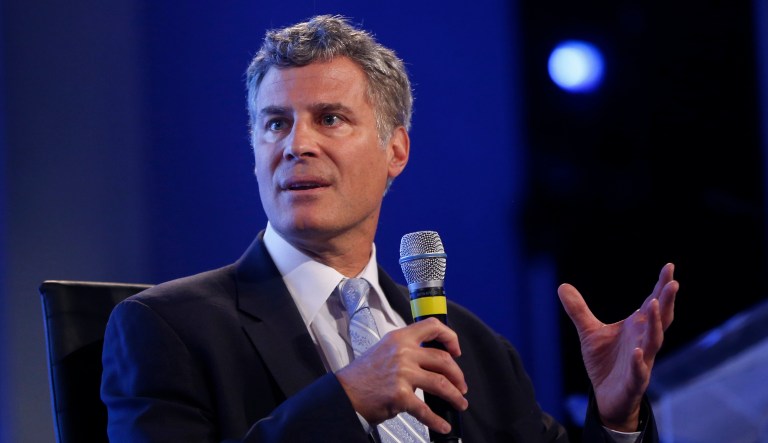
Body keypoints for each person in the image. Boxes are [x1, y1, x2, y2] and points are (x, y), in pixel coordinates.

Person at [101, 14, 678, 443]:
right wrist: (346, 398)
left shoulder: (473, 348)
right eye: (275, 123)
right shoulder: (168, 329)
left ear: (395, 150)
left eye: (330, 118)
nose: (297, 145)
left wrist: (616, 417)